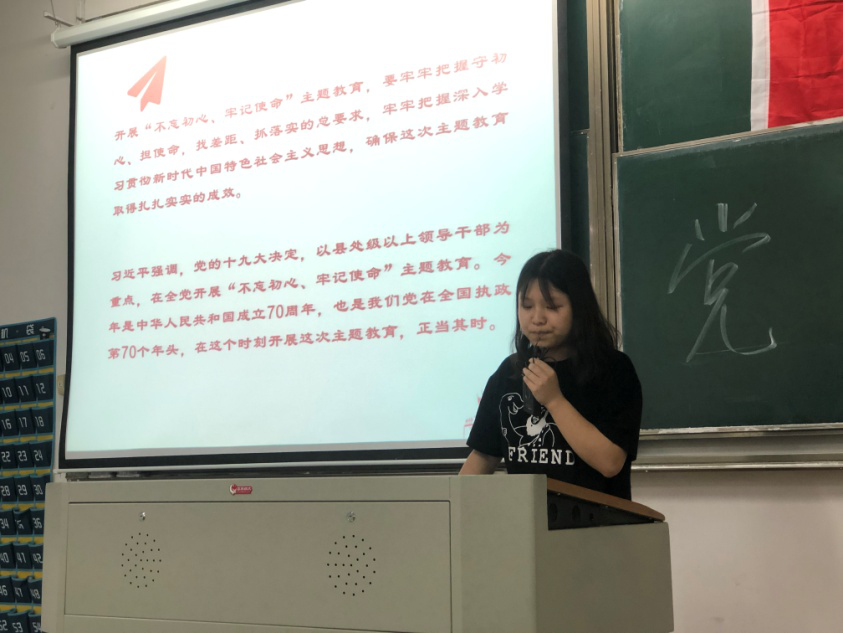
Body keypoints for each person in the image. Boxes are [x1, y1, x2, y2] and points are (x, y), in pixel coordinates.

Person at [459, 249, 642, 499]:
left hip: (596, 520)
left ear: (579, 307)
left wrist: (554, 400)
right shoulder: (509, 372)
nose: (537, 318)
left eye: (552, 306)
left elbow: (610, 463)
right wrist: (451, 505)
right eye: (526, 306)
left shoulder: (613, 370)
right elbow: (483, 456)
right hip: (526, 519)